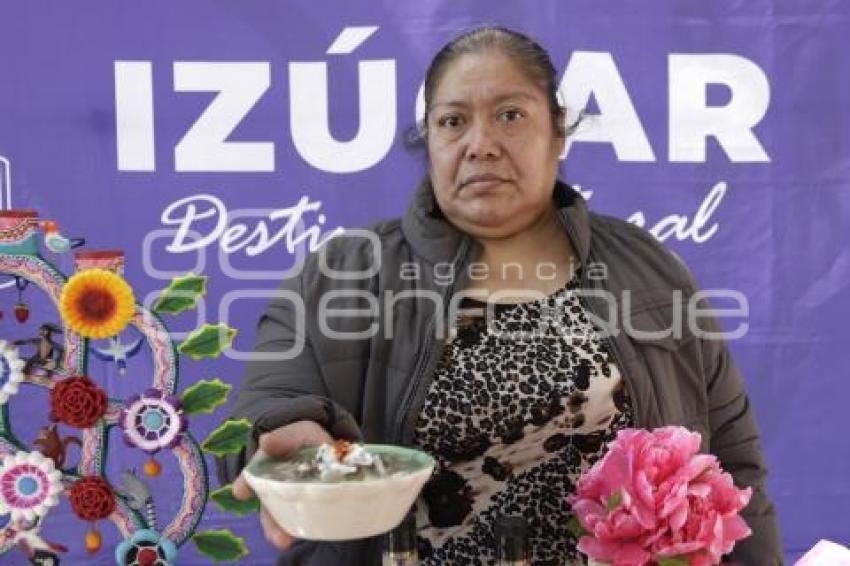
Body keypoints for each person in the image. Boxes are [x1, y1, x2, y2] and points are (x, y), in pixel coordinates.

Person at [218, 26, 783, 565]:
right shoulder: (342, 273)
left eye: (510, 115)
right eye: (452, 121)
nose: (479, 144)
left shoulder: (649, 268)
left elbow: (733, 468)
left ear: (558, 134)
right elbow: (264, 411)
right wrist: (276, 440)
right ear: (430, 142)